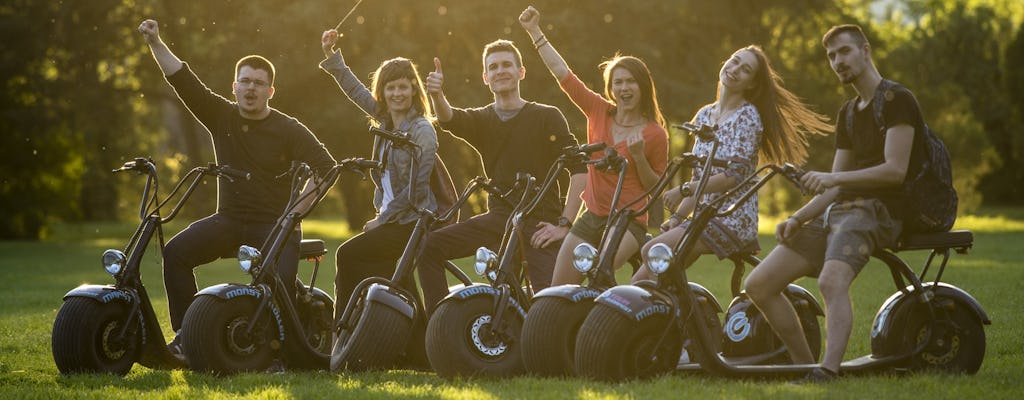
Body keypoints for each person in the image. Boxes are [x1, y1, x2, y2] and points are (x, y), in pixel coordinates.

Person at [138, 19, 337, 361]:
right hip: (228, 220)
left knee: (279, 281)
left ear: (270, 91)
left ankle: (278, 354)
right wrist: (156, 42)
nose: (251, 88)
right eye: (245, 81)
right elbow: (183, 80)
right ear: (234, 86)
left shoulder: (288, 129)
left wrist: (296, 212)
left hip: (274, 225)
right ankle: (190, 337)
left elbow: (328, 167)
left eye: (259, 83)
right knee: (176, 253)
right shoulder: (221, 116)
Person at [744, 24, 922, 383]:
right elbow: (834, 187)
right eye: (831, 56)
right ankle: (805, 365)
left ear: (865, 50)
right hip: (843, 212)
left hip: (883, 211)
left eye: (844, 51)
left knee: (830, 281)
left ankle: (828, 371)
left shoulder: (897, 100)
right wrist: (799, 216)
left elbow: (895, 172)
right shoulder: (850, 113)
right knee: (759, 284)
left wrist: (833, 180)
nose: (837, 61)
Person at [633, 44, 832, 282]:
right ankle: (682, 316)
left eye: (745, 69)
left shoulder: (748, 117)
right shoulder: (705, 114)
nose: (735, 69)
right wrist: (677, 218)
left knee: (651, 251)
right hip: (703, 217)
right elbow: (700, 176)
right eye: (735, 60)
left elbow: (733, 177)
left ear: (752, 84)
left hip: (731, 218)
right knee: (642, 280)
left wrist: (685, 189)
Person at [417, 39, 586, 313]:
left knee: (547, 305)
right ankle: (437, 333)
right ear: (486, 77)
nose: (500, 71)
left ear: (521, 71)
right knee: (429, 248)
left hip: (540, 222)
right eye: (493, 67)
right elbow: (449, 118)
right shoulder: (483, 120)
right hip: (499, 220)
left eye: (507, 64)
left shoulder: (547, 116)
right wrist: (436, 94)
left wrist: (564, 224)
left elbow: (580, 170)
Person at [518, 6, 669, 285]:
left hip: (628, 221)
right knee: (559, 288)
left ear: (643, 87)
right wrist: (534, 30)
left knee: (599, 270)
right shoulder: (598, 110)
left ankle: (603, 324)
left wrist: (639, 157)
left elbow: (655, 188)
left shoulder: (654, 133)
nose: (624, 88)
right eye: (618, 82)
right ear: (611, 88)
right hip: (593, 216)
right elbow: (563, 74)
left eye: (631, 83)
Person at [318, 30, 439, 325]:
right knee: (388, 275)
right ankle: (414, 345)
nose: (396, 94)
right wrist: (332, 56)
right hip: (393, 218)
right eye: (390, 88)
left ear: (413, 89)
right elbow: (356, 91)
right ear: (382, 92)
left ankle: (342, 330)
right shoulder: (385, 121)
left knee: (348, 255)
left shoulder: (422, 131)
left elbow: (415, 194)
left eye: (402, 87)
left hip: (413, 221)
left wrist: (381, 220)